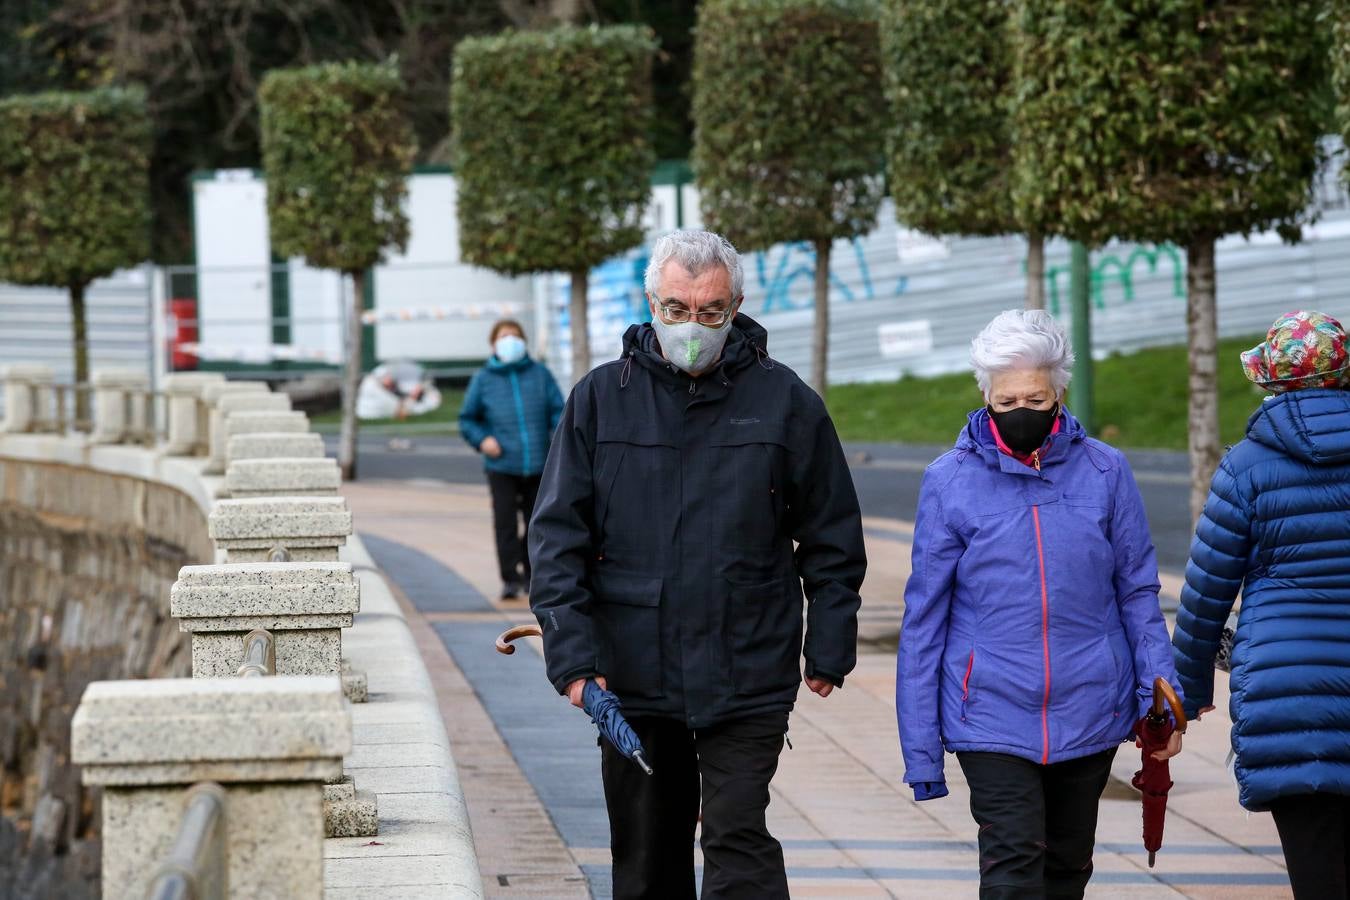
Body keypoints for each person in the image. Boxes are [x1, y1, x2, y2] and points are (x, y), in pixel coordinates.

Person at [528, 229, 866, 900]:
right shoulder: (598, 401)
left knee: (738, 839)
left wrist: (830, 643)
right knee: (649, 856)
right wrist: (572, 657)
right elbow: (556, 538)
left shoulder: (786, 402)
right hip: (633, 677)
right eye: (677, 308)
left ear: (735, 306)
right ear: (651, 303)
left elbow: (831, 532)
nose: (693, 326)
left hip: (748, 668)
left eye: (711, 311)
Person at [897, 309, 1182, 900]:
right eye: (1006, 401)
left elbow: (1136, 591)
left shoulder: (1106, 470)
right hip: (991, 713)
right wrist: (921, 749)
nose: (1021, 411)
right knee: (1012, 867)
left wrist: (1161, 699)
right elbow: (924, 619)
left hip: (1090, 706)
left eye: (1036, 396)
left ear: (1059, 392)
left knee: (1068, 868)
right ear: (985, 396)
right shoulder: (949, 481)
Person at [1173, 311, 1350, 899]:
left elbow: (1205, 596)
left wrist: (1190, 690)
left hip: (1288, 699)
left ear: (1272, 380)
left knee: (1317, 869)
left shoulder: (1246, 467)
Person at [458, 319, 564, 600]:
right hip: (501, 465)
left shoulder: (540, 375)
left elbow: (559, 411)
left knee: (537, 524)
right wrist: (483, 440)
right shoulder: (483, 379)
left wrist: (558, 439)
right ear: (493, 344)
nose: (510, 341)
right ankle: (509, 578)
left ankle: (532, 576)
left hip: (540, 464)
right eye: (504, 336)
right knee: (504, 523)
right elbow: (468, 419)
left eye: (515, 336)